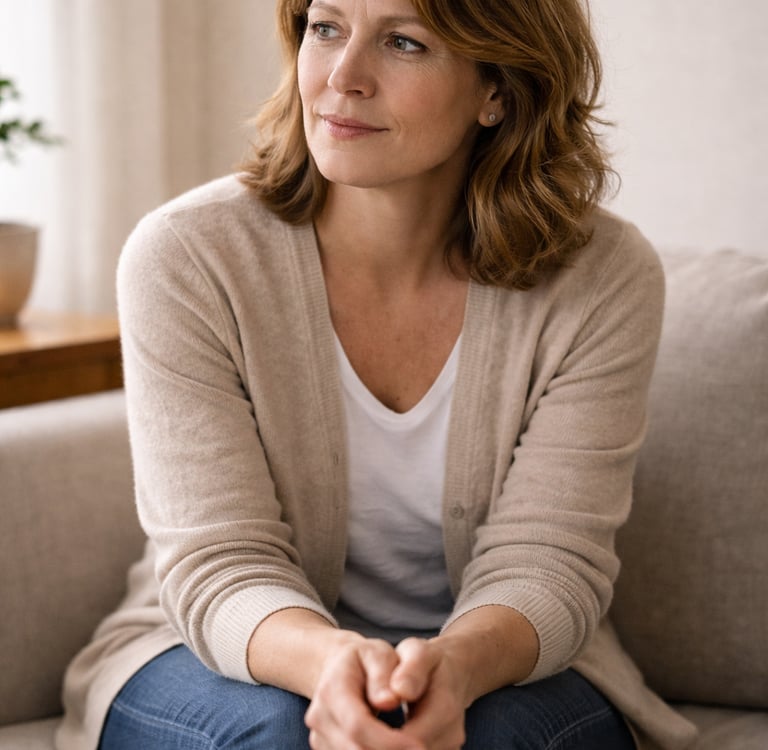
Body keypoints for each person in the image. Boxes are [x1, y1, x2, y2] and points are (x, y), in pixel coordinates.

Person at [57, 0, 698, 748]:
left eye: (403, 42)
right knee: (283, 738)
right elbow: (221, 560)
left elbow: (549, 563)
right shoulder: (188, 258)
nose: (342, 75)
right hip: (224, 647)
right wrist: (331, 662)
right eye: (324, 27)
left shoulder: (601, 278)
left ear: (498, 90)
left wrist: (450, 670)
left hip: (500, 659)